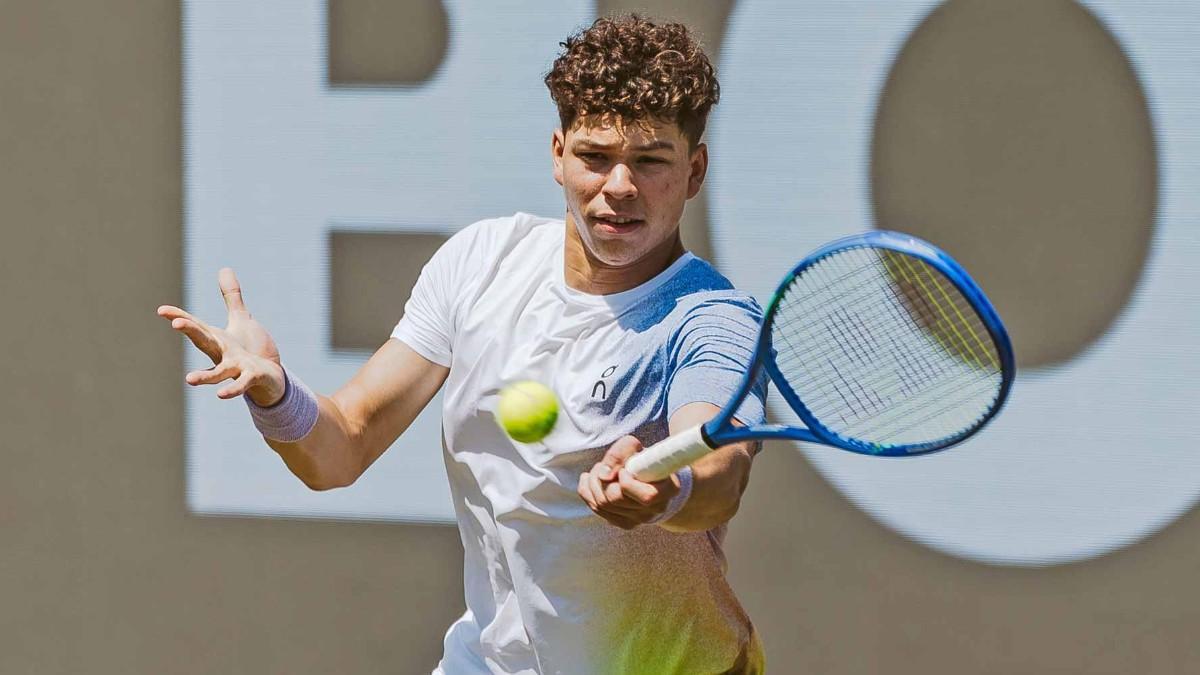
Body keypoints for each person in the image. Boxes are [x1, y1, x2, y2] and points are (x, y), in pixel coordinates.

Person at [157, 15, 768, 675]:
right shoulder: (481, 262)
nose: (619, 186)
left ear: (695, 170)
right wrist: (277, 395)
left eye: (650, 161)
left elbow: (721, 468)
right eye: (595, 156)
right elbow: (342, 447)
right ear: (558, 154)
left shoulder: (712, 320)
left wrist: (671, 489)